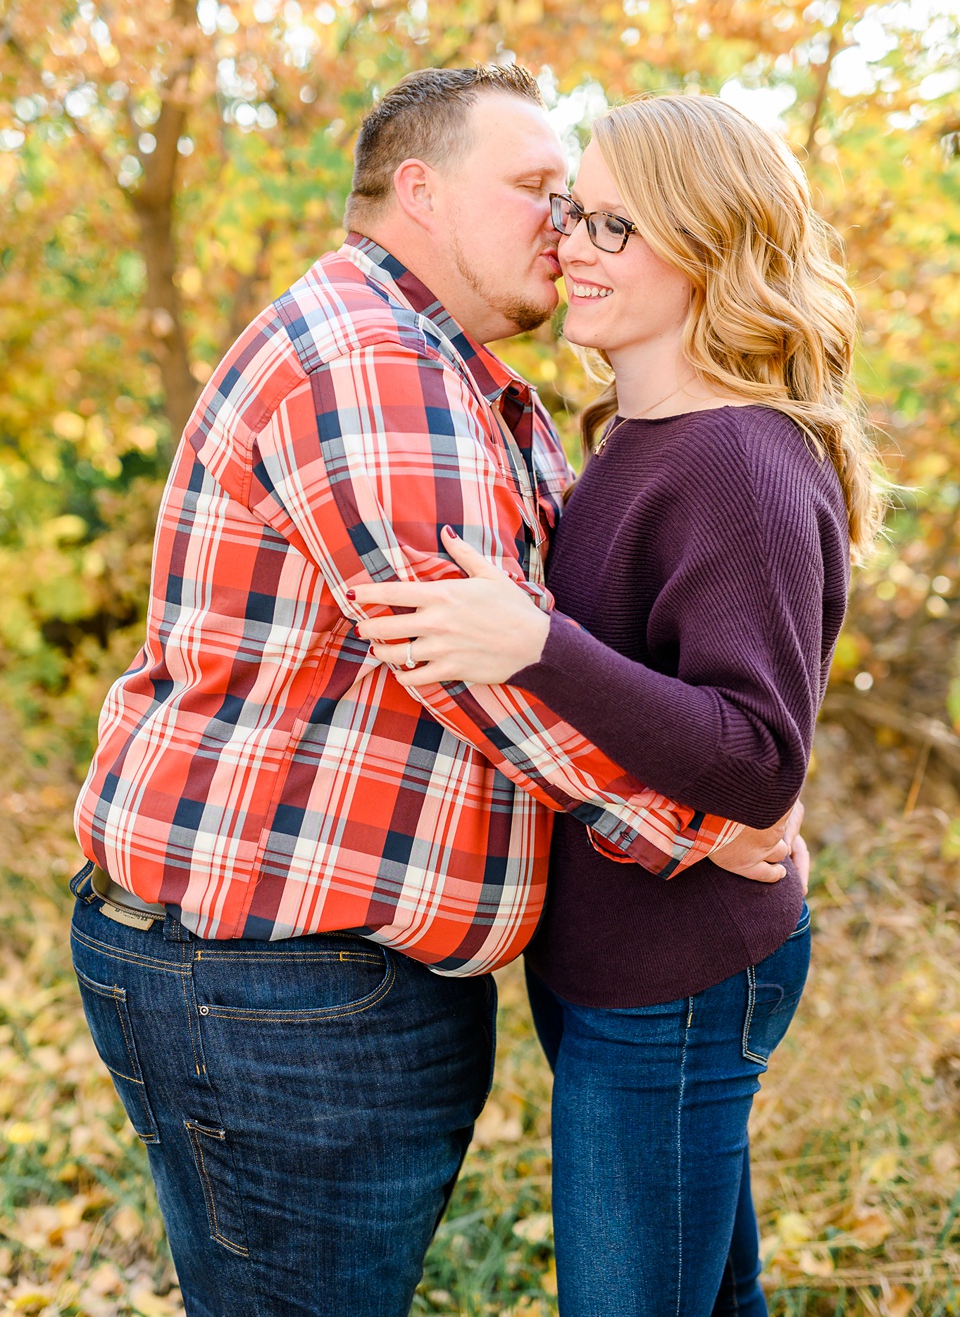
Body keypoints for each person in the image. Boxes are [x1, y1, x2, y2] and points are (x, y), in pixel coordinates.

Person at [70, 68, 797, 1317]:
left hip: (308, 979)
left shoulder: (489, 386)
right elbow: (499, 686)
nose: (562, 228)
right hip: (276, 985)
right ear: (418, 189)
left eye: (583, 205)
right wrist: (717, 827)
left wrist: (732, 778)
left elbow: (569, 648)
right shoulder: (374, 362)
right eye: (538, 191)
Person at [350, 92, 881, 1316]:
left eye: (615, 228)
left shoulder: (735, 461)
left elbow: (757, 761)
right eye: (576, 214)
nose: (571, 245)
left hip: (677, 980)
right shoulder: (628, 437)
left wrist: (537, 645)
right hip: (620, 970)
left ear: (710, 244)